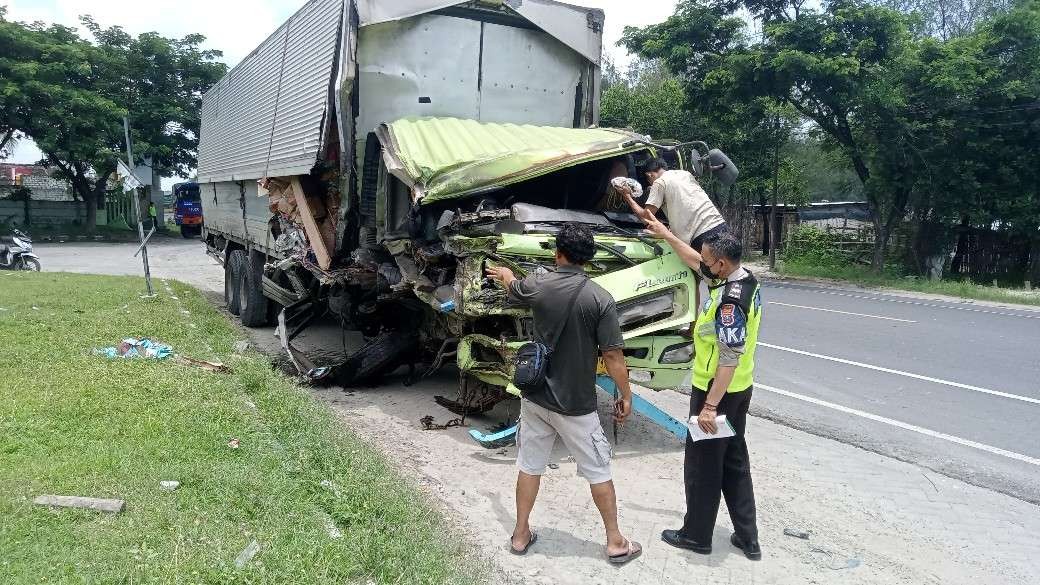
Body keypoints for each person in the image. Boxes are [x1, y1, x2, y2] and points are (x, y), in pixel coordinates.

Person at [485, 222, 643, 566]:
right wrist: (626, 393)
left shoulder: (539, 283)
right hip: (575, 404)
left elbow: (515, 286)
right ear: (588, 259)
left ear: (558, 254)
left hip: (535, 396)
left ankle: (520, 534)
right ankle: (616, 542)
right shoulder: (600, 299)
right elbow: (613, 356)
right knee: (598, 470)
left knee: (529, 466)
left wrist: (507, 275)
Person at [641, 216, 763, 561]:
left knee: (703, 465)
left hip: (717, 392)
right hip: (740, 392)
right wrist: (666, 235)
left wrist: (709, 407)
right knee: (735, 460)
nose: (702, 264)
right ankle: (747, 537)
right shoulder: (745, 280)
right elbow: (695, 261)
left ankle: (696, 535)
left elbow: (728, 359)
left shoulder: (729, 305)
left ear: (721, 265)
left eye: (708, 261)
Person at [618, 158, 727, 252]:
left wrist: (627, 196)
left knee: (707, 271)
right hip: (720, 225)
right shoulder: (685, 174)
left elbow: (646, 218)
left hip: (701, 236)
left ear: (649, 175)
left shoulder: (659, 182)